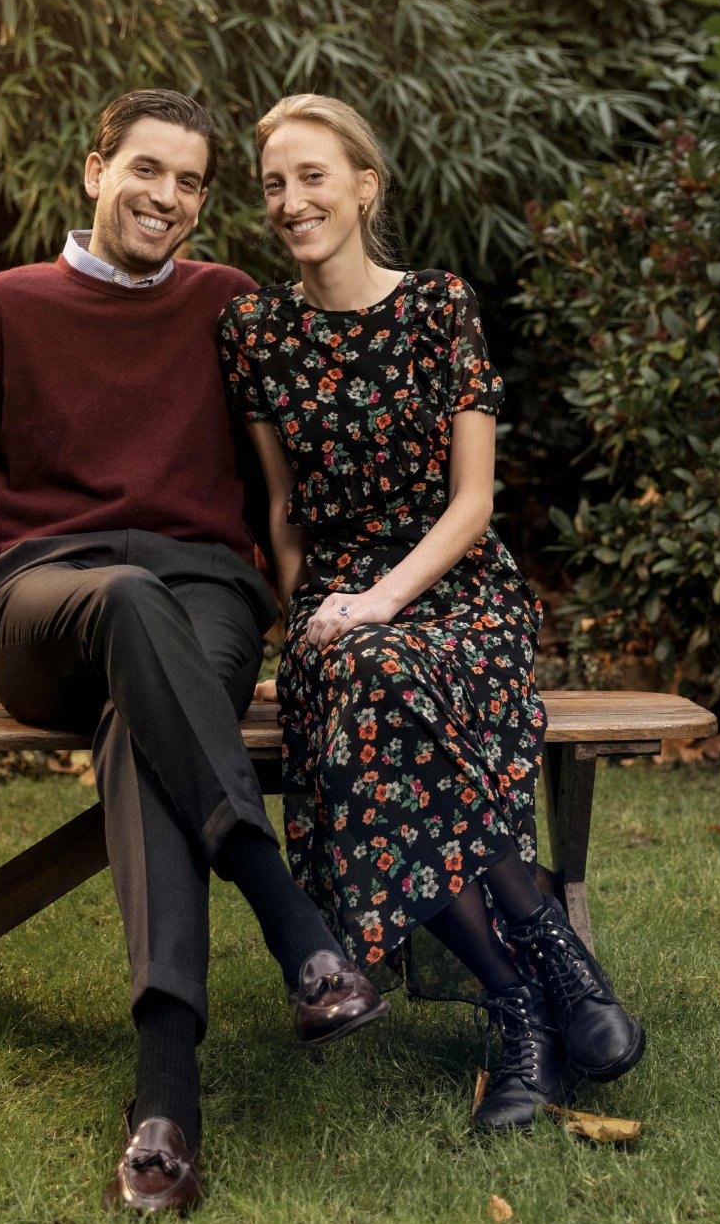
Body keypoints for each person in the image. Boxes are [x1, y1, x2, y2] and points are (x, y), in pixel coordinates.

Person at [0, 90, 388, 1216]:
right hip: (44, 601)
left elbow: (297, 483)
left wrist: (342, 617)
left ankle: (166, 1105)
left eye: (190, 183)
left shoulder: (229, 306)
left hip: (205, 597)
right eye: (147, 170)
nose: (168, 199)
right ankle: (294, 925)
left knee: (150, 710)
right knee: (131, 601)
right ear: (94, 169)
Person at [217, 93, 645, 1132]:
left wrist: (380, 602)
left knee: (387, 684)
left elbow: (474, 503)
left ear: (366, 186)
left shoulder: (439, 305)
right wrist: (313, 611)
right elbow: (279, 510)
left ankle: (528, 987)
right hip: (335, 610)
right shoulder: (255, 331)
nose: (291, 200)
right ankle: (537, 986)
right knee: (365, 679)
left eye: (313, 176)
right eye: (274, 183)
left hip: (457, 592)